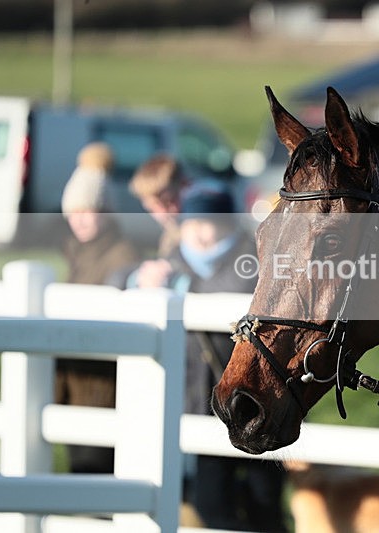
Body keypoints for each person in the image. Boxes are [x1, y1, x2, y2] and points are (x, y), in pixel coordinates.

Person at [127, 183, 287, 532]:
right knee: (210, 501)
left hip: (253, 398)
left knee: (264, 498)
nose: (199, 231)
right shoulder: (172, 262)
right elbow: (117, 280)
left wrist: (180, 289)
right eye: (192, 222)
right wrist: (137, 280)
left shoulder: (253, 263)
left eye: (209, 222)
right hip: (199, 402)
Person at [56, 142, 141, 473]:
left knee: (95, 471)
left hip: (101, 388)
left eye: (88, 211)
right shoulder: (76, 254)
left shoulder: (122, 257)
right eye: (73, 212)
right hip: (73, 383)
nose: (79, 220)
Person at [129, 153, 188, 256]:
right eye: (152, 209)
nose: (162, 214)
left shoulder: (200, 232)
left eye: (168, 202)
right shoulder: (170, 236)